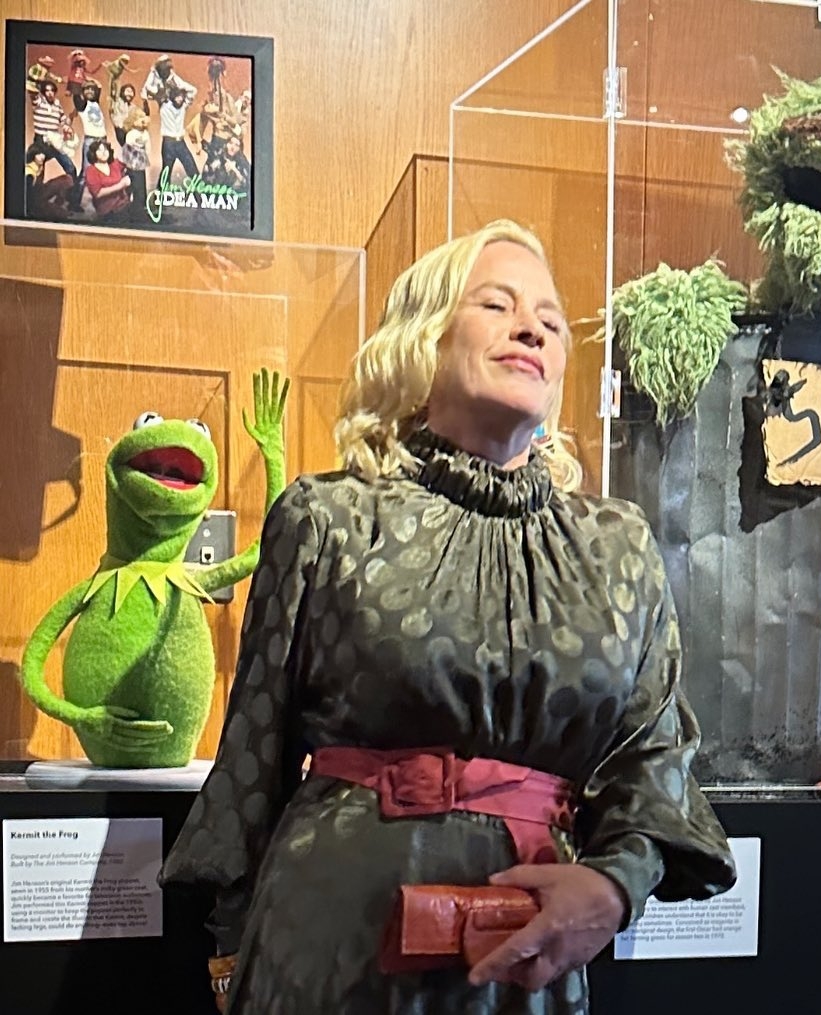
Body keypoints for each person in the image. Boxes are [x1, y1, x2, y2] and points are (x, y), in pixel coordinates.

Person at [159, 219, 736, 1014]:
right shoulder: (328, 519)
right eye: (496, 305)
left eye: (550, 319)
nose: (531, 328)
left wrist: (613, 887)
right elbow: (253, 755)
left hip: (522, 960)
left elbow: (653, 756)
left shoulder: (618, 547)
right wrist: (231, 948)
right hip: (328, 949)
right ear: (422, 338)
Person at [81, 139, 130, 222]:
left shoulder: (115, 164)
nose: (103, 152)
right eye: (99, 150)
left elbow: (129, 158)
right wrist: (121, 185)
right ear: (94, 153)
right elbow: (98, 193)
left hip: (124, 205)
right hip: (107, 212)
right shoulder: (91, 171)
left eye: (105, 149)